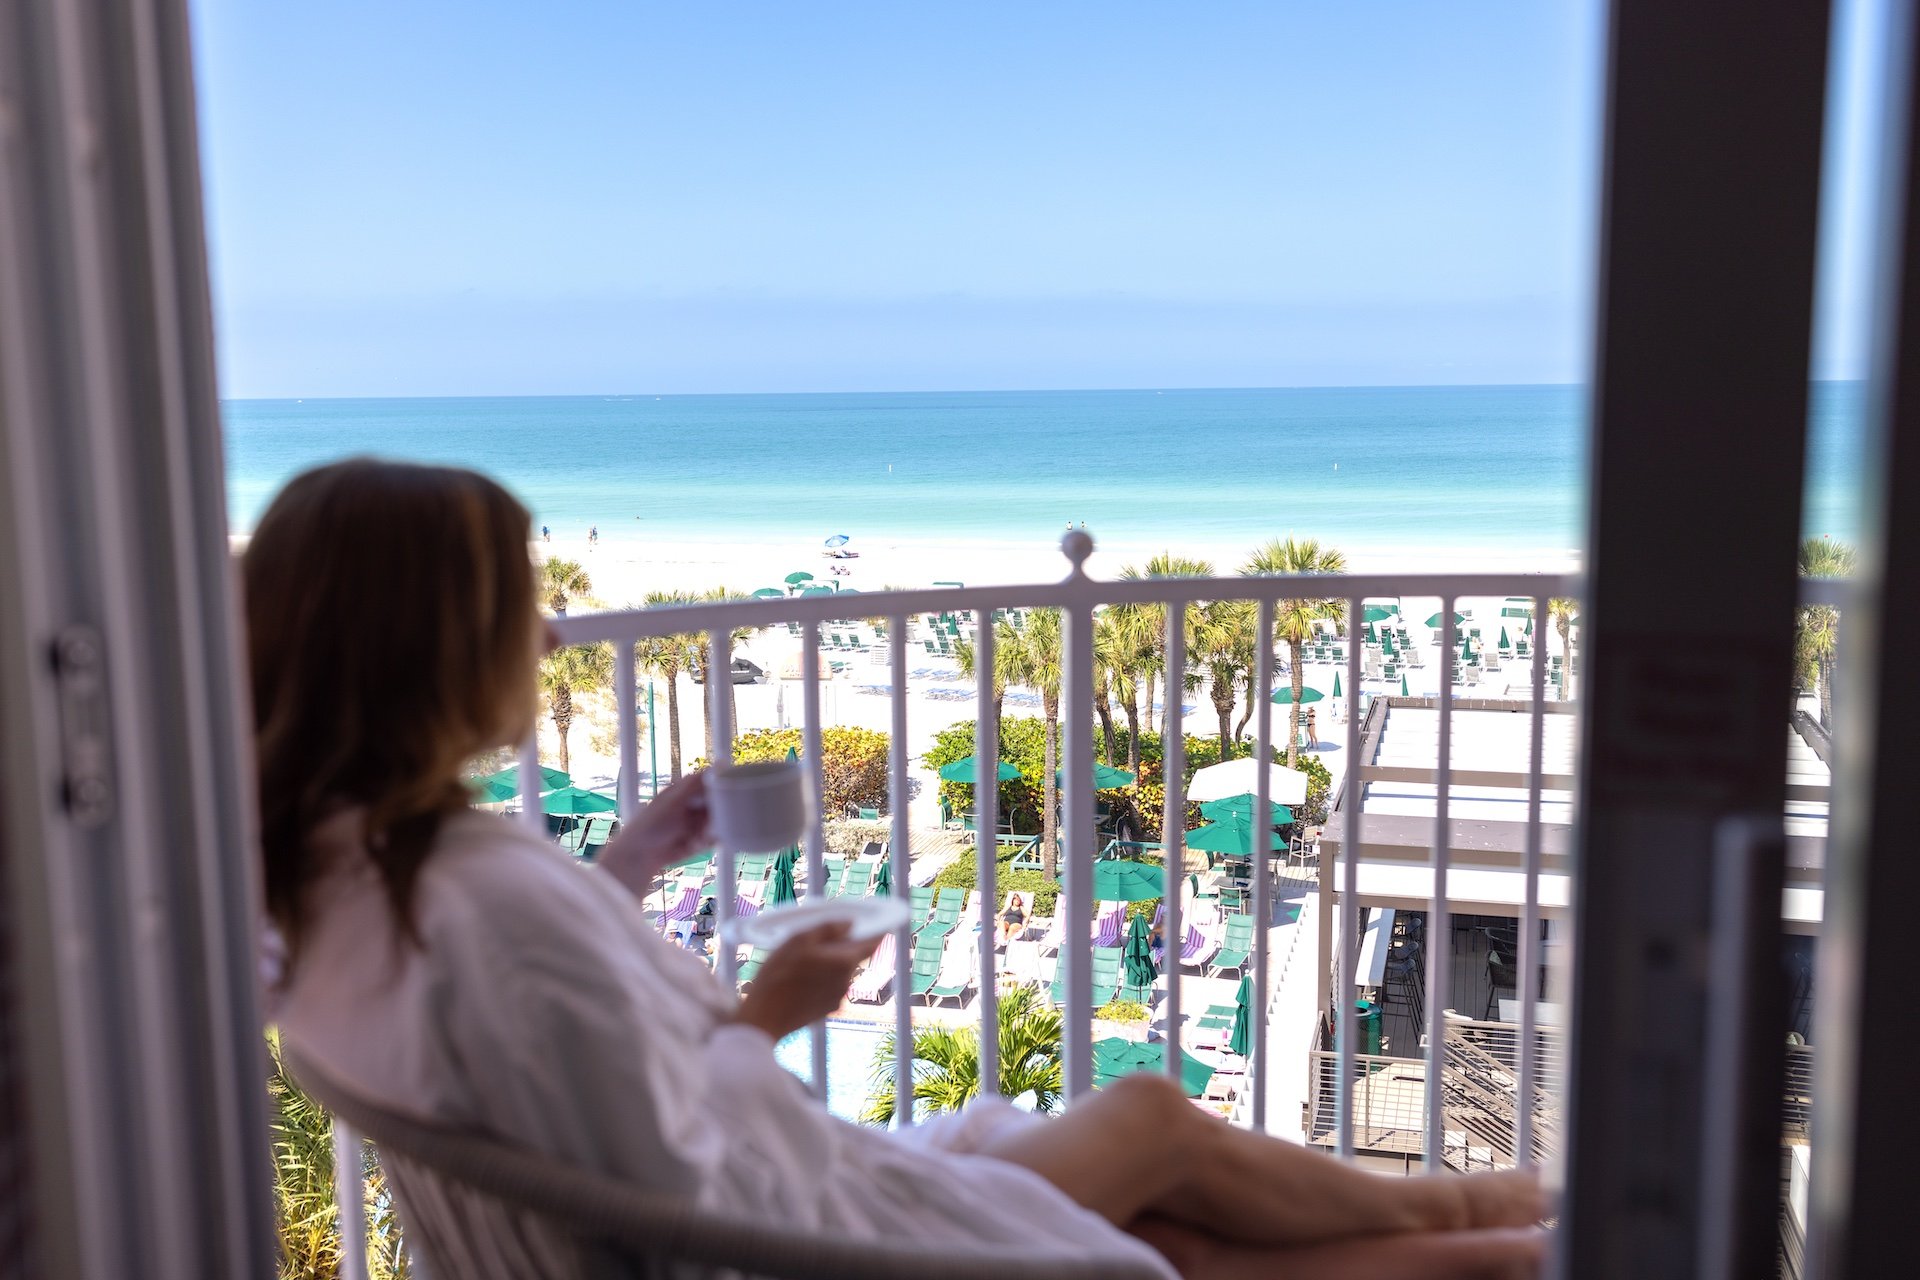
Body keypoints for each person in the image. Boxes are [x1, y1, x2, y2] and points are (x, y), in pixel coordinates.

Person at [259, 460, 1545, 1280]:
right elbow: (663, 1165)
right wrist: (771, 1013)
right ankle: (1501, 1230)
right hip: (777, 1235)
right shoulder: (485, 891)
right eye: (513, 603)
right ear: (427, 646)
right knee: (1153, 1131)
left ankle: (1493, 1238)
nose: (546, 629)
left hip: (747, 1213)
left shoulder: (338, 884)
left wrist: (635, 859)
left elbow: (521, 1021)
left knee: (1172, 1211)